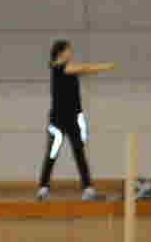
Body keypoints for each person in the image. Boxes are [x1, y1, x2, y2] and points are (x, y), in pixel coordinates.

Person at [35, 40, 114, 200]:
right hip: (58, 120)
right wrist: (104, 67)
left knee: (79, 153)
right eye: (68, 50)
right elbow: (85, 68)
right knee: (52, 154)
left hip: (73, 119)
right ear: (60, 52)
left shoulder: (67, 68)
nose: (71, 53)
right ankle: (43, 188)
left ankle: (88, 189)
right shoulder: (59, 67)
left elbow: (81, 70)